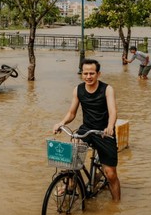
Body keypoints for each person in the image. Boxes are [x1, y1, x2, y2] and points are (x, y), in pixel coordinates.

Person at [52, 58, 121, 201]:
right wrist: (61, 122)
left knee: (111, 173)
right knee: (71, 157)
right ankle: (70, 184)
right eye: (85, 73)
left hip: (104, 132)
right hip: (86, 130)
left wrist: (110, 127)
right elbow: (72, 113)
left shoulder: (107, 89)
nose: (88, 77)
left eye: (92, 73)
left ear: (98, 74)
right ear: (81, 74)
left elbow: (113, 111)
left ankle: (116, 205)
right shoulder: (78, 90)